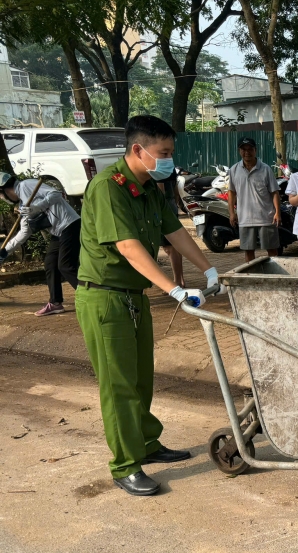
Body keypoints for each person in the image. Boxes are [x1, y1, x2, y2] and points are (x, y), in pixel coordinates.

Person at [76, 115, 220, 497]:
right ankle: (125, 463)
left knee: (141, 377)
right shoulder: (109, 187)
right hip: (104, 297)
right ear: (138, 150)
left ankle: (146, 443)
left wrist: (209, 270)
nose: (170, 160)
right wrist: (174, 290)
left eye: (171, 153)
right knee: (119, 383)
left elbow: (173, 232)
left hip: (133, 297)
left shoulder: (150, 188)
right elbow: (129, 247)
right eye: (164, 153)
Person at [0, 172, 80, 316]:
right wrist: (4, 251)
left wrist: (38, 207)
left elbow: (56, 194)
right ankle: (55, 303)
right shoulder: (23, 205)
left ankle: (89, 297)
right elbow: (24, 233)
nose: (2, 199)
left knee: (65, 266)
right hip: (58, 233)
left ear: (5, 190)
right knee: (50, 263)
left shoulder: (26, 185)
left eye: (0, 196)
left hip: (70, 224)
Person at [228, 136, 281, 263]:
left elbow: (274, 192)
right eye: (243, 149)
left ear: (255, 150)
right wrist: (231, 213)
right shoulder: (234, 170)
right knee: (248, 251)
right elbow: (231, 192)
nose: (247, 152)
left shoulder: (265, 169)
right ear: (239, 151)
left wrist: (278, 212)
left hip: (266, 218)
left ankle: (276, 276)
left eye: (250, 149)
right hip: (245, 219)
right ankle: (251, 277)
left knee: (272, 250)